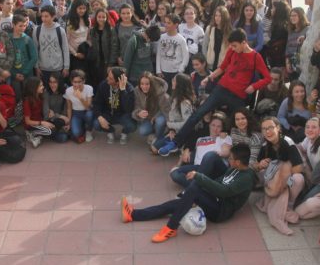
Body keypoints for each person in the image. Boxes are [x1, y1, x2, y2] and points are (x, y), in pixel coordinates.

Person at [158, 29, 271, 156]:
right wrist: (209, 77)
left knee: (246, 120)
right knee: (198, 113)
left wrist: (254, 86)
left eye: (235, 45)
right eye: (231, 46)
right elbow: (222, 68)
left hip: (237, 96)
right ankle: (175, 143)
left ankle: (261, 147)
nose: (232, 48)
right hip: (221, 89)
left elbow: (268, 78)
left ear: (244, 42)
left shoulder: (255, 57)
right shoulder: (232, 50)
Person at [121, 143, 255, 243]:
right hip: (213, 198)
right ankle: (133, 215)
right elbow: (220, 181)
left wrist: (200, 178)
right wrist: (201, 189)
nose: (228, 160)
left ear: (238, 162)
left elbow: (223, 191)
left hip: (220, 210)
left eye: (230, 158)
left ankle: (171, 227)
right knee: (179, 203)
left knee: (192, 191)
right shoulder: (235, 168)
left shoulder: (246, 178)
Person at [255, 116, 305, 235]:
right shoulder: (265, 146)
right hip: (273, 181)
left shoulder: (287, 142)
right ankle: (281, 207)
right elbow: (256, 166)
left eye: (270, 127)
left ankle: (289, 205)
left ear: (278, 128)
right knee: (265, 172)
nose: (267, 131)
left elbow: (298, 168)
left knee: (297, 179)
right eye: (264, 129)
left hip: (288, 180)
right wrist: (260, 164)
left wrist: (282, 175)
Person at [92, 66, 136, 145]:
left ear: (118, 81)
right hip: (108, 113)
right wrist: (100, 117)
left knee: (131, 126)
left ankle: (124, 133)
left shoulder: (129, 88)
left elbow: (128, 108)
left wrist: (123, 90)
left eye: (110, 78)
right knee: (96, 124)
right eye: (108, 76)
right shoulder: (103, 85)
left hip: (122, 115)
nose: (107, 79)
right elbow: (96, 104)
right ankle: (110, 131)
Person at [22, 76, 69, 148]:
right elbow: (27, 121)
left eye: (42, 85)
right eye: (40, 86)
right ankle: (32, 133)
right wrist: (42, 123)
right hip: (32, 125)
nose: (43, 87)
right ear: (34, 87)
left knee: (56, 127)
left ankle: (40, 136)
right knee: (50, 131)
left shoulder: (40, 97)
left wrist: (50, 111)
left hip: (41, 121)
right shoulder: (27, 101)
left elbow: (44, 109)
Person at [132, 72, 169, 144]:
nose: (144, 86)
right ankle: (154, 133)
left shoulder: (160, 92)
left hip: (160, 115)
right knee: (143, 131)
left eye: (147, 84)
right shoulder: (137, 90)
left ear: (151, 84)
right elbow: (136, 106)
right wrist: (138, 113)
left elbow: (167, 111)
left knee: (159, 121)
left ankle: (159, 138)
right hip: (148, 118)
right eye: (142, 84)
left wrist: (156, 116)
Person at [156, 13, 189, 89]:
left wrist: (180, 71)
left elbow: (186, 56)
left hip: (176, 72)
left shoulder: (181, 39)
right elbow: (159, 54)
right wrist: (158, 70)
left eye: (169, 23)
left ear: (176, 25)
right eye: (165, 22)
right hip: (163, 72)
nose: (166, 25)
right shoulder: (161, 37)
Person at [64, 69, 94, 143]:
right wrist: (69, 122)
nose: (77, 84)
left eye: (79, 82)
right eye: (75, 82)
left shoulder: (89, 88)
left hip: (87, 111)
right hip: (76, 113)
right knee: (76, 133)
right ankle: (83, 126)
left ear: (84, 81)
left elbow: (88, 107)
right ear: (71, 82)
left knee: (89, 115)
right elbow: (69, 108)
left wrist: (80, 98)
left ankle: (89, 131)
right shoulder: (68, 91)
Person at [203, 6, 232, 70]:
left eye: (220, 16)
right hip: (210, 63)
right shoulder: (209, 29)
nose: (217, 18)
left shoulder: (230, 32)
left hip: (223, 66)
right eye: (216, 15)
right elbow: (204, 46)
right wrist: (205, 60)